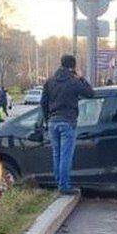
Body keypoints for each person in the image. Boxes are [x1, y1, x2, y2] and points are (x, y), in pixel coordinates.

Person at [41, 54, 94, 195]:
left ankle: (59, 182)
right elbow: (90, 94)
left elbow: (43, 103)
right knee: (66, 155)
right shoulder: (74, 81)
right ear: (73, 67)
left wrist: (48, 119)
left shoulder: (50, 81)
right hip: (67, 121)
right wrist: (81, 77)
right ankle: (64, 186)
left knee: (56, 154)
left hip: (52, 122)